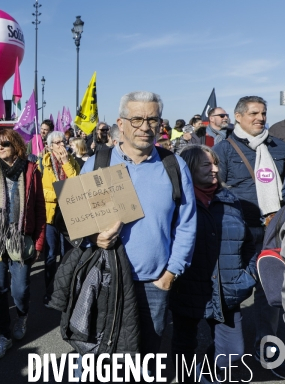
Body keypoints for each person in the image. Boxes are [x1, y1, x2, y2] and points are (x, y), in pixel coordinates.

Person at [80, 91, 197, 373]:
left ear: (160, 124)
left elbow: (186, 223)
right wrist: (93, 237)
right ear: (121, 124)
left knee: (144, 359)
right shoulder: (98, 163)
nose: (145, 126)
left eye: (152, 119)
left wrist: (170, 275)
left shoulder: (173, 165)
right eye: (136, 119)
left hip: (153, 284)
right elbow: (79, 222)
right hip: (105, 280)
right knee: (100, 355)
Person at [213, 95, 285, 371]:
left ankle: (268, 350)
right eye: (254, 113)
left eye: (264, 113)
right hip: (236, 236)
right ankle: (228, 355)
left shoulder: (279, 148)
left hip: (272, 234)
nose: (260, 118)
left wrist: (279, 212)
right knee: (232, 294)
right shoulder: (223, 150)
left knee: (271, 295)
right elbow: (214, 188)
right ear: (239, 117)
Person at [171, 145, 257, 381]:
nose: (216, 169)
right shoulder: (176, 203)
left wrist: (247, 276)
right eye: (207, 165)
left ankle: (206, 370)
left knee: (233, 352)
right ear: (189, 167)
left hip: (227, 288)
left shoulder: (229, 199)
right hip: (187, 288)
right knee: (183, 346)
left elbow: (248, 242)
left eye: (216, 163)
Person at [0, 129, 46, 360]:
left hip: (21, 240)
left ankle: (22, 316)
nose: (0, 148)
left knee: (21, 290)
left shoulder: (31, 171)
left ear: (16, 145)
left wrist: (38, 244)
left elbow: (39, 209)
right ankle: (4, 335)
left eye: (4, 143)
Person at [40, 132, 80, 305]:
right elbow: (41, 191)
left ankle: (66, 291)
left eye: (63, 142)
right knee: (50, 256)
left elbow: (77, 184)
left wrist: (65, 163)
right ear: (49, 146)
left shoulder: (71, 161)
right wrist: (59, 192)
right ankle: (50, 291)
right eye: (57, 143)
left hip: (69, 214)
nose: (61, 146)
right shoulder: (42, 164)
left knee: (68, 254)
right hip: (51, 215)